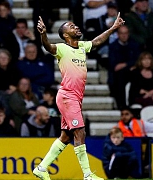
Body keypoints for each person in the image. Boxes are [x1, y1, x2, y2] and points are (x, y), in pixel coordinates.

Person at [33, 13, 124, 180]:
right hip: (67, 96)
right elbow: (48, 47)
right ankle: (87, 175)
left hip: (75, 98)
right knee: (80, 132)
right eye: (71, 26)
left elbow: (96, 42)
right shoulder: (62, 48)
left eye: (75, 25)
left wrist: (112, 28)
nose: (76, 27)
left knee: (66, 137)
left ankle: (41, 167)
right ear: (66, 35)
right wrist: (43, 34)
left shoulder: (81, 46)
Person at [107, 25, 141, 109]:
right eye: (122, 33)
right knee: (120, 78)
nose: (124, 35)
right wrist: (129, 65)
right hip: (117, 75)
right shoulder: (113, 47)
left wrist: (125, 64)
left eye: (126, 33)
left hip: (131, 73)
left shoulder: (134, 45)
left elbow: (137, 60)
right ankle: (122, 106)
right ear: (118, 35)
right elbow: (114, 66)